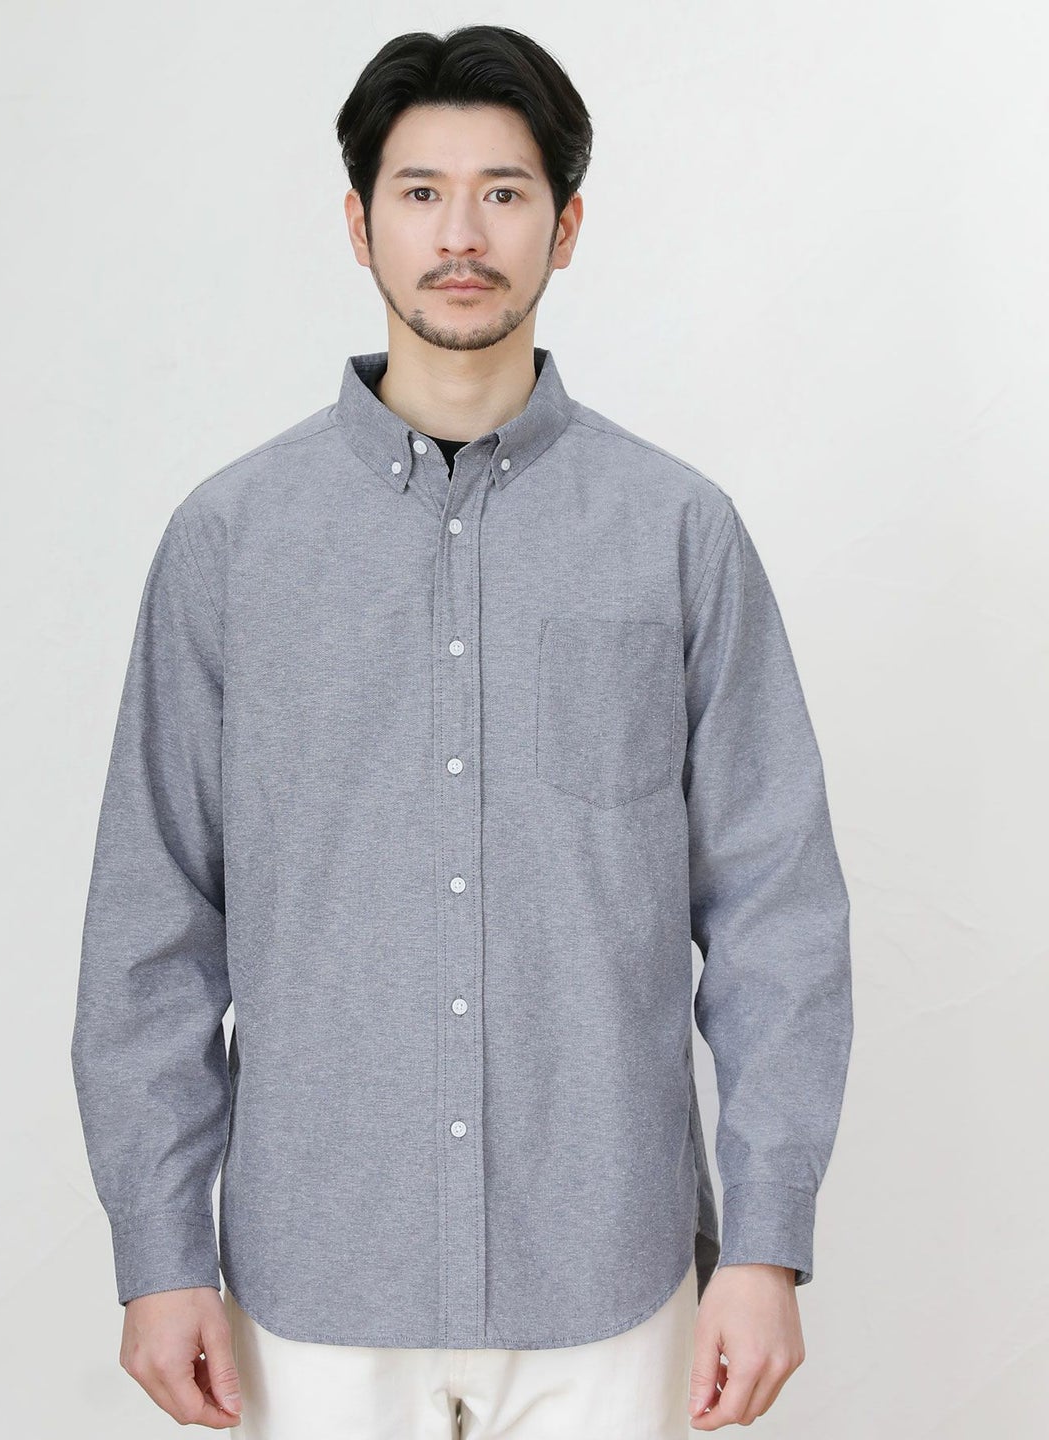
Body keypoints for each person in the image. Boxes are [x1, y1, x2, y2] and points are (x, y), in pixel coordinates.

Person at [70, 23, 854, 1438]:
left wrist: (765, 1241)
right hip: (313, 1277)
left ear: (566, 228)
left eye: (504, 192)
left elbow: (775, 912)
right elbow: (154, 921)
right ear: (358, 223)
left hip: (608, 1273)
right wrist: (159, 1249)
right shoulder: (232, 544)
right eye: (421, 192)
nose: (460, 235)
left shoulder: (678, 534)